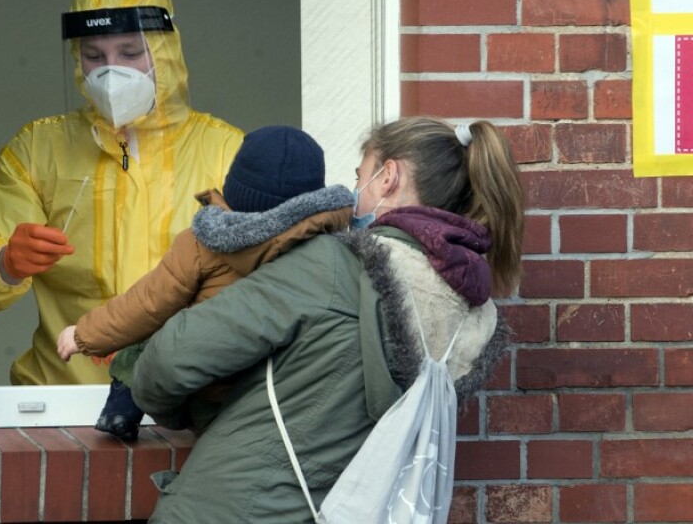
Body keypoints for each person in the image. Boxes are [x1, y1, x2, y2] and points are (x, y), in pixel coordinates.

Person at [131, 116, 524, 523]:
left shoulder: (335, 266)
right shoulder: (475, 318)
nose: (353, 193)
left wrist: (187, 415)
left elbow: (172, 358)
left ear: (388, 177)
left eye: (360, 177)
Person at [0, 0, 244, 386]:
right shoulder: (39, 150)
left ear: (166, 52)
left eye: (130, 52)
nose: (111, 72)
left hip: (185, 398)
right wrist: (3, 265)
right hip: (65, 399)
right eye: (94, 56)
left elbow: (268, 284)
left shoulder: (227, 153)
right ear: (76, 57)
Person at [56, 125, 354, 440]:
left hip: (212, 401)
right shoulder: (327, 250)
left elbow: (147, 302)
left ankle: (121, 407)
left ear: (235, 186)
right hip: (287, 405)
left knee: (156, 327)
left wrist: (84, 334)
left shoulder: (204, 244)